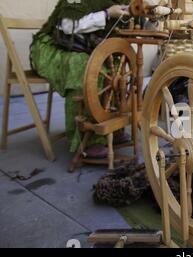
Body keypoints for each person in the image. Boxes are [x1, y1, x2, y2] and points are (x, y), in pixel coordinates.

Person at [30, 0, 133, 159]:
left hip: (85, 47)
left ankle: (110, 128)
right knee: (84, 67)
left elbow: (137, 20)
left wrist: (151, 16)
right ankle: (86, 139)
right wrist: (106, 14)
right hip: (52, 47)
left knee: (114, 67)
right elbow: (68, 26)